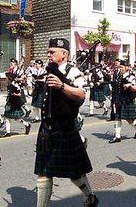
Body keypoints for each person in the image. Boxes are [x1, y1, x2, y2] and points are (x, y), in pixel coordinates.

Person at [35, 38, 98, 207]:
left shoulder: (73, 72)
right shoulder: (49, 70)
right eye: (48, 51)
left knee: (75, 173)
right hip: (47, 128)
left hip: (65, 128)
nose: (48, 54)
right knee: (44, 173)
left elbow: (81, 95)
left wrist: (62, 86)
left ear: (64, 54)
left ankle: (90, 196)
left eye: (51, 52)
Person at [108, 60, 136, 144]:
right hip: (119, 98)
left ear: (126, 67)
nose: (120, 69)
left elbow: (134, 88)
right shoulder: (119, 76)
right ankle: (117, 136)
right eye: (119, 67)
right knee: (117, 117)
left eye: (122, 67)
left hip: (127, 100)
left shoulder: (131, 77)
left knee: (129, 119)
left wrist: (129, 85)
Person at [1, 72, 31, 138]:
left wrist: (13, 94)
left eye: (6, 78)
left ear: (9, 78)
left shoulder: (15, 85)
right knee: (7, 118)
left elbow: (19, 94)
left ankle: (27, 124)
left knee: (16, 118)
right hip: (10, 102)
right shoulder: (9, 84)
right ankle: (8, 132)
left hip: (15, 103)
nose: (6, 79)